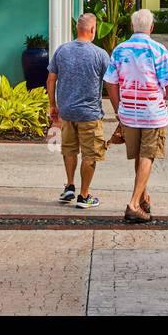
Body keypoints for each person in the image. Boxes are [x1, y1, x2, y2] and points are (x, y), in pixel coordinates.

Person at [103, 8, 168, 224]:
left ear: (132, 27)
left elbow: (110, 81)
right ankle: (134, 204)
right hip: (153, 113)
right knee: (148, 155)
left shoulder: (119, 50)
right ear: (152, 28)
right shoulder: (158, 50)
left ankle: (144, 198)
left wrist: (118, 108)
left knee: (139, 156)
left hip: (129, 114)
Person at [46, 13, 111, 209]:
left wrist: (53, 105)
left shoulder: (62, 51)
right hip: (89, 114)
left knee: (69, 150)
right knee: (90, 154)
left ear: (77, 29)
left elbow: (51, 79)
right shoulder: (100, 54)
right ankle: (84, 196)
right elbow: (111, 83)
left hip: (66, 112)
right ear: (92, 30)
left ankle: (70, 186)